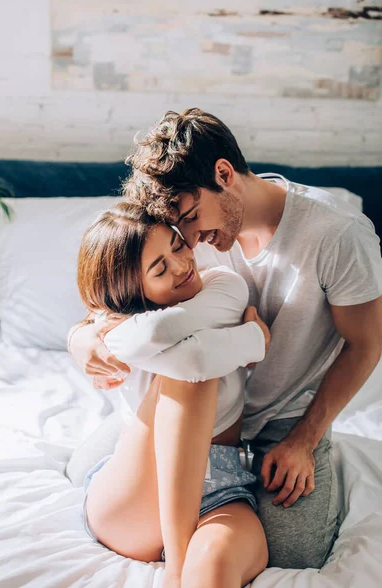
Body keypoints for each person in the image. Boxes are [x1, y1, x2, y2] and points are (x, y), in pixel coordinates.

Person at [69, 108, 382, 569]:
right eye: (181, 231)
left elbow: (366, 345)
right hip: (187, 409)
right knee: (81, 471)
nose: (193, 243)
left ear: (224, 173)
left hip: (282, 420)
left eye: (193, 219)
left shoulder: (337, 236)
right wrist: (83, 337)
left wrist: (304, 438)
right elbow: (126, 296)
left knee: (293, 551)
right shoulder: (192, 240)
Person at [76, 200, 270, 588]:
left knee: (215, 567)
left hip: (220, 483)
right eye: (159, 268)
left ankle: (190, 566)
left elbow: (163, 338)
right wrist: (254, 340)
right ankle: (176, 567)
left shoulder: (223, 285)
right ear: (131, 291)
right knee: (188, 374)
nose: (182, 266)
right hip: (138, 491)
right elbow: (185, 358)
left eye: (177, 246)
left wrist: (101, 335)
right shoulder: (118, 326)